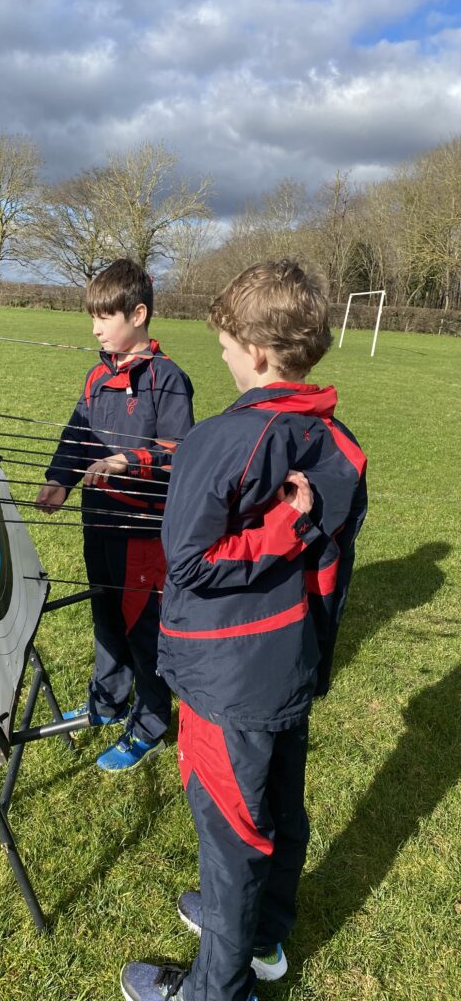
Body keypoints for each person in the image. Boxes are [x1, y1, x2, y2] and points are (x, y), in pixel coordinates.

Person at [120, 260, 368, 1000]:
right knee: (278, 810)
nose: (223, 360)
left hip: (229, 680)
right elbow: (333, 569)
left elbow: (190, 564)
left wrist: (282, 528)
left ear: (257, 353)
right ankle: (261, 938)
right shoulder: (338, 440)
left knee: (234, 838)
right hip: (288, 665)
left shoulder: (225, 438)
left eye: (226, 347)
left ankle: (215, 989)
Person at [35, 258, 194, 772]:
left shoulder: (168, 380)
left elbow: (178, 450)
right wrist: (61, 479)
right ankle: (108, 701)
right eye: (93, 318)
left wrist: (129, 460)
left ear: (139, 314)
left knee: (140, 626)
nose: (96, 328)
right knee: (105, 615)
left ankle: (150, 723)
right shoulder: (95, 376)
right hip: (97, 520)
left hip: (142, 532)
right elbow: (78, 435)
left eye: (106, 317)